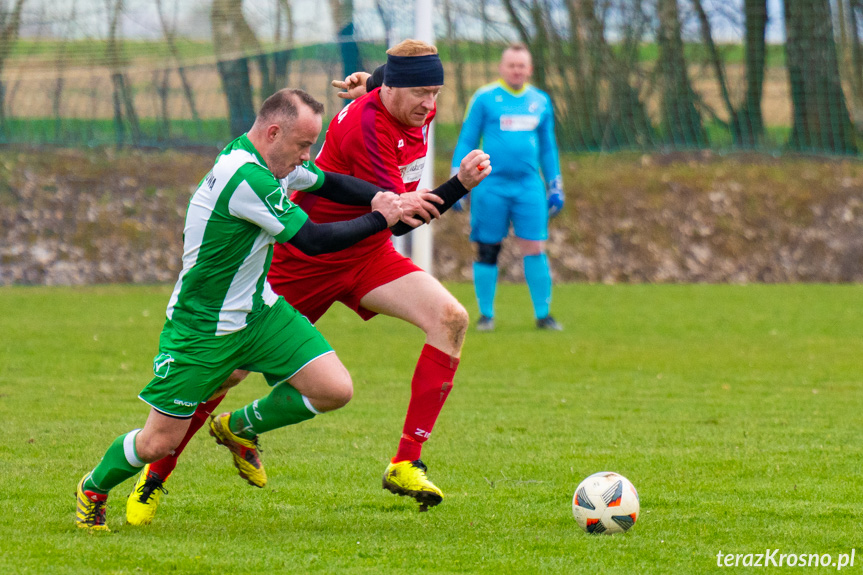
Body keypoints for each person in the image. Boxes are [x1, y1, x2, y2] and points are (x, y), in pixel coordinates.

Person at [124, 39, 490, 523]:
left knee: (450, 318)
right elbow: (397, 219)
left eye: (436, 92)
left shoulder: (400, 99)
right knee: (227, 371)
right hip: (306, 257)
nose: (431, 103)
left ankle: (404, 462)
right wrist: (457, 185)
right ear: (396, 90)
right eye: (422, 91)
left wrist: (370, 81)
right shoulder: (365, 125)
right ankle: (154, 479)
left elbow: (389, 86)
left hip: (366, 255)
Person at [75, 88, 415, 530]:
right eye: (303, 145)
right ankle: (94, 487)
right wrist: (381, 219)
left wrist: (378, 197)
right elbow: (312, 242)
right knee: (158, 442)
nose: (307, 156)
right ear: (274, 132)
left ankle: (238, 426)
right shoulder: (246, 178)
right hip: (202, 330)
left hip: (259, 314)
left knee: (334, 388)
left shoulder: (272, 162)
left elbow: (329, 182)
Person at [451, 42, 565, 332]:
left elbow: (548, 147)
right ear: (502, 68)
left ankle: (543, 315)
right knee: (488, 248)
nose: (516, 70)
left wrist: (555, 184)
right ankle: (485, 315)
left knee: (535, 247)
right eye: (511, 65)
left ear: (530, 69)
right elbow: (467, 139)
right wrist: (457, 181)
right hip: (491, 186)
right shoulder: (485, 98)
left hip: (529, 187)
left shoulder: (540, 101)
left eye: (521, 65)